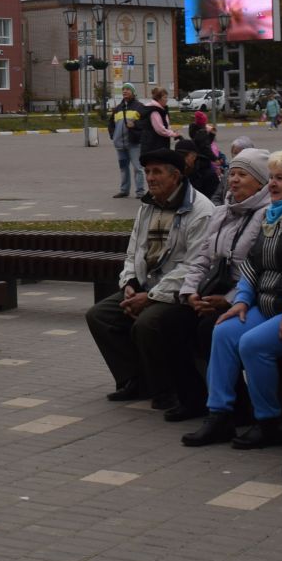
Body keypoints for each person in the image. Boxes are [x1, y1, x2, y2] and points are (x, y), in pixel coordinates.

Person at [182, 149, 282, 451]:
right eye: (271, 178)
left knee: (253, 345)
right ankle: (220, 415)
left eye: (281, 178)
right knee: (224, 331)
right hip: (267, 306)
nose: (273, 185)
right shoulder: (277, 212)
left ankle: (269, 422)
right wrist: (241, 300)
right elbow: (253, 264)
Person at [84, 148, 217, 411]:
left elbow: (194, 266)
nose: (150, 178)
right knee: (99, 315)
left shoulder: (201, 210)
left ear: (176, 176)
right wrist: (130, 282)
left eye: (157, 172)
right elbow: (135, 250)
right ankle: (135, 379)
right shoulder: (148, 205)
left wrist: (152, 297)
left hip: (181, 291)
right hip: (147, 286)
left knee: (147, 323)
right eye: (147, 172)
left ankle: (167, 389)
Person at [171, 149, 274, 419]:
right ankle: (193, 398)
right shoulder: (222, 212)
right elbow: (203, 258)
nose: (234, 180)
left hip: (245, 296)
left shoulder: (268, 215)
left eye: (243, 174)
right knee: (173, 321)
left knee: (209, 328)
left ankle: (238, 405)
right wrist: (190, 292)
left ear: (262, 182)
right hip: (211, 292)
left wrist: (229, 300)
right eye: (232, 173)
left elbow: (258, 271)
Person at [108, 84, 145, 198]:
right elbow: (111, 124)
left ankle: (140, 192)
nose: (125, 91)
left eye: (128, 89)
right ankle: (124, 190)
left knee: (138, 168)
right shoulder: (118, 108)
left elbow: (145, 123)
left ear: (133, 92)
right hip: (120, 145)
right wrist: (113, 135)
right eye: (123, 89)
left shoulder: (139, 107)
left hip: (134, 143)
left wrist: (134, 124)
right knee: (123, 168)